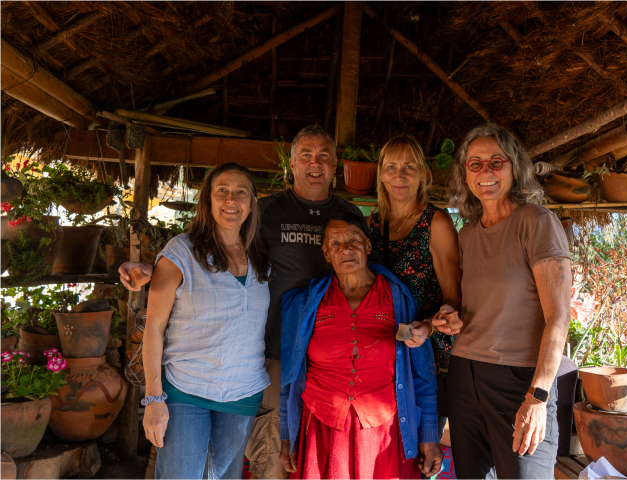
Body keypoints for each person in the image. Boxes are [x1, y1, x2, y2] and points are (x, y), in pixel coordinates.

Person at [120, 125, 363, 478]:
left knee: (312, 458)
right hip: (258, 361)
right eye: (305, 155)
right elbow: (197, 254)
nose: (315, 163)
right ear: (291, 164)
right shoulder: (265, 213)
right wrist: (153, 269)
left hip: (320, 360)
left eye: (324, 156)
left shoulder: (345, 217)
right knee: (265, 461)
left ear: (335, 165)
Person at [434, 124, 571, 479]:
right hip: (464, 374)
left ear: (514, 168)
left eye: (497, 161)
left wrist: (538, 397)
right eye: (475, 164)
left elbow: (559, 318)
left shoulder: (538, 223)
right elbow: (473, 308)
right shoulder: (467, 234)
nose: (486, 171)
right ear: (465, 174)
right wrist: (451, 316)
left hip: (520, 380)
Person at [279, 213, 443, 479]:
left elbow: (421, 373)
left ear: (368, 246)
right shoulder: (306, 303)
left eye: (353, 239)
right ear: (326, 254)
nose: (345, 249)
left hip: (384, 430)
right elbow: (290, 377)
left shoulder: (397, 298)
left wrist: (428, 435)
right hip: (321, 427)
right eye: (335, 243)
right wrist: (288, 435)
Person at [141, 163, 272, 479]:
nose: (231, 199)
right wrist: (154, 399)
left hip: (242, 394)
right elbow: (154, 328)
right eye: (222, 191)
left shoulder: (261, 255)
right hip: (187, 389)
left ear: (252, 203)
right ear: (208, 201)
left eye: (241, 192)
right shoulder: (181, 252)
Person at [367, 134, 462, 443]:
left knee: (421, 451)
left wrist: (433, 325)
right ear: (381, 174)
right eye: (392, 167)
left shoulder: (436, 222)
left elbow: (454, 299)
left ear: (423, 173)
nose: (400, 174)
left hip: (427, 358)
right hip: (383, 355)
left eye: (409, 166)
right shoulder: (372, 223)